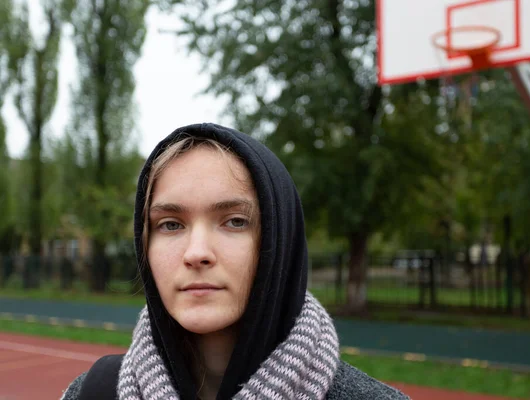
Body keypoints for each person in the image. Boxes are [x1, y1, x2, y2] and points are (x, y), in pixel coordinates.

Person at [61, 123, 409, 400]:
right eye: (170, 224)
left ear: (279, 239)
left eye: (235, 221)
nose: (196, 252)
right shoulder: (93, 393)